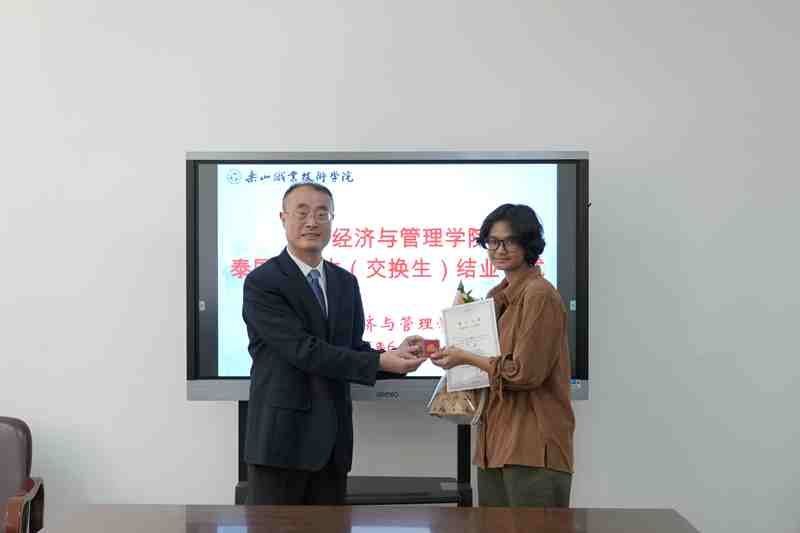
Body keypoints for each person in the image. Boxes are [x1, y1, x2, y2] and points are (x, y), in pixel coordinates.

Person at [242, 183, 425, 505]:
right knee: (275, 527)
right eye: (302, 213)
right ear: (283, 218)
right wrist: (379, 362)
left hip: (333, 444)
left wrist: (395, 357)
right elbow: (303, 351)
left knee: (331, 526)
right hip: (280, 442)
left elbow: (350, 348)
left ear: (332, 220)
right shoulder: (263, 282)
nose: (312, 222)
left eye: (321, 213)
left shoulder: (345, 282)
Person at [430, 204, 575, 507]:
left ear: (528, 244)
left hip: (532, 445)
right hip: (494, 443)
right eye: (493, 242)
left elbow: (525, 374)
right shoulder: (496, 297)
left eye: (509, 241)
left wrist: (465, 358)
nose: (499, 249)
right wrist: (451, 357)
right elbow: (489, 366)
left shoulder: (539, 294)